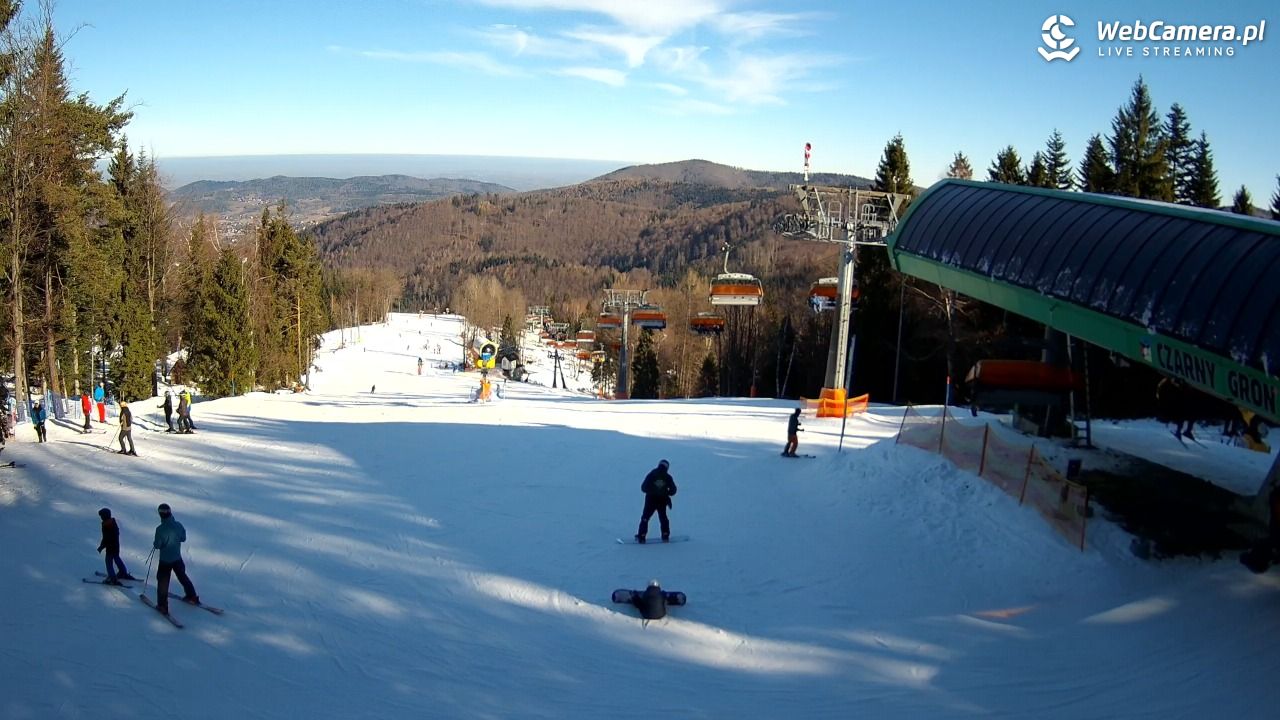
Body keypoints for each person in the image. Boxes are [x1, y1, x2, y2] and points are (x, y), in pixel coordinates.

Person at [152, 503, 199, 615]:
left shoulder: (160, 529)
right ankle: (192, 596)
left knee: (163, 582)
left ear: (160, 515)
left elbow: (157, 545)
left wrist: (157, 543)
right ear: (170, 512)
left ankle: (163, 606)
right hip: (177, 558)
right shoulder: (178, 525)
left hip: (165, 560)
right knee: (182, 576)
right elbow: (183, 538)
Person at [636, 459, 677, 543]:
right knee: (663, 518)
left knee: (645, 517)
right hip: (662, 500)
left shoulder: (652, 474)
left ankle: (642, 535)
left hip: (650, 500)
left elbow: (643, 488)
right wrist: (666, 493)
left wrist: (651, 491)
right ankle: (665, 534)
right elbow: (673, 490)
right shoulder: (667, 477)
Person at [97, 508, 136, 584]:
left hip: (110, 547)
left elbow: (106, 538)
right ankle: (123, 572)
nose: (101, 518)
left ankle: (112, 578)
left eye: (101, 516)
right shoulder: (112, 522)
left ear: (105, 516)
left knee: (108, 562)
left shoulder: (107, 525)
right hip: (115, 546)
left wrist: (101, 546)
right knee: (116, 558)